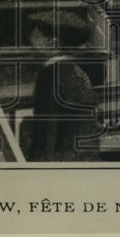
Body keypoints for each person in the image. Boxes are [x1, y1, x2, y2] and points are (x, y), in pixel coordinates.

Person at [26, 11, 100, 162]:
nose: (31, 40)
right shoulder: (76, 69)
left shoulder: (49, 73)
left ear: (52, 42)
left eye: (36, 35)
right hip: (83, 151)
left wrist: (35, 154)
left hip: (60, 153)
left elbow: (43, 122)